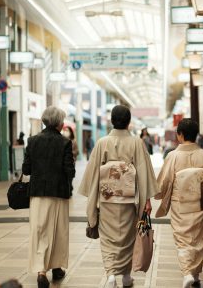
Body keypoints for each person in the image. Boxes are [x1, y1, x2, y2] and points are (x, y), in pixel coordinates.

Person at [78, 105, 159, 288]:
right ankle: (126, 277)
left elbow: (92, 174)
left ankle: (111, 275)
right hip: (129, 201)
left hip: (107, 201)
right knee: (128, 237)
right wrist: (146, 199)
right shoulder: (137, 142)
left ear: (112, 121)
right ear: (129, 122)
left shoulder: (101, 142)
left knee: (108, 238)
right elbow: (144, 173)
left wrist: (93, 197)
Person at [155, 118, 203, 288]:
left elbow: (164, 182)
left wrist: (157, 193)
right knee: (198, 240)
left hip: (180, 206)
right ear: (196, 136)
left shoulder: (172, 156)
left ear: (179, 135)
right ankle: (194, 275)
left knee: (182, 240)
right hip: (200, 204)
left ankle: (188, 273)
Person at [22, 106, 76, 288]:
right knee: (59, 231)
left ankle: (41, 271)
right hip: (59, 194)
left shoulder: (32, 141)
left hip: (37, 194)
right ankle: (56, 268)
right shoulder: (65, 143)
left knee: (39, 231)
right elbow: (70, 171)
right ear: (59, 124)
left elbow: (26, 169)